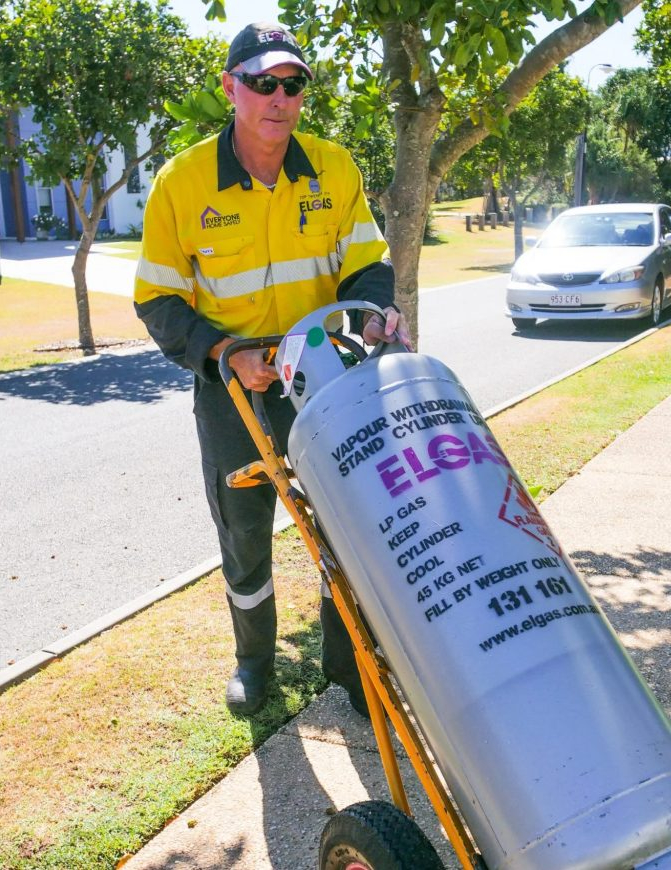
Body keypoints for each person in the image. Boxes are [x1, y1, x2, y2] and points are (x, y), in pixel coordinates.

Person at [134, 21, 410, 718]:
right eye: (261, 83)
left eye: (291, 84)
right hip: (231, 385)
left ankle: (347, 665)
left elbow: (369, 265)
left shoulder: (333, 167)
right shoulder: (182, 181)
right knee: (245, 529)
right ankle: (254, 663)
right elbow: (158, 300)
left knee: (343, 525)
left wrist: (374, 314)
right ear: (231, 88)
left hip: (322, 377)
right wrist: (227, 353)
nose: (278, 97)